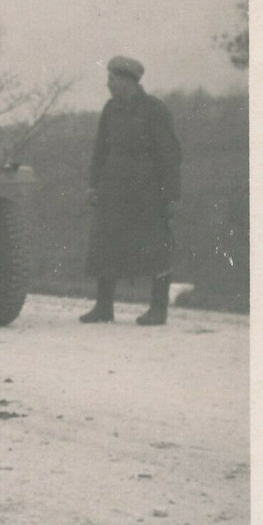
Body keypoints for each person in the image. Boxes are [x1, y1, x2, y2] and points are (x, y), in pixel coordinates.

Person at [81, 56, 182, 326]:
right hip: (113, 188)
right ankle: (104, 308)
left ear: (127, 81)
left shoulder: (154, 109)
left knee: (155, 246)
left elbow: (169, 155)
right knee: (106, 244)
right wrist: (93, 184)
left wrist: (171, 195)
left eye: (112, 79)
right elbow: (100, 150)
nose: (108, 84)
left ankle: (158, 310)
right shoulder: (111, 109)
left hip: (147, 192)